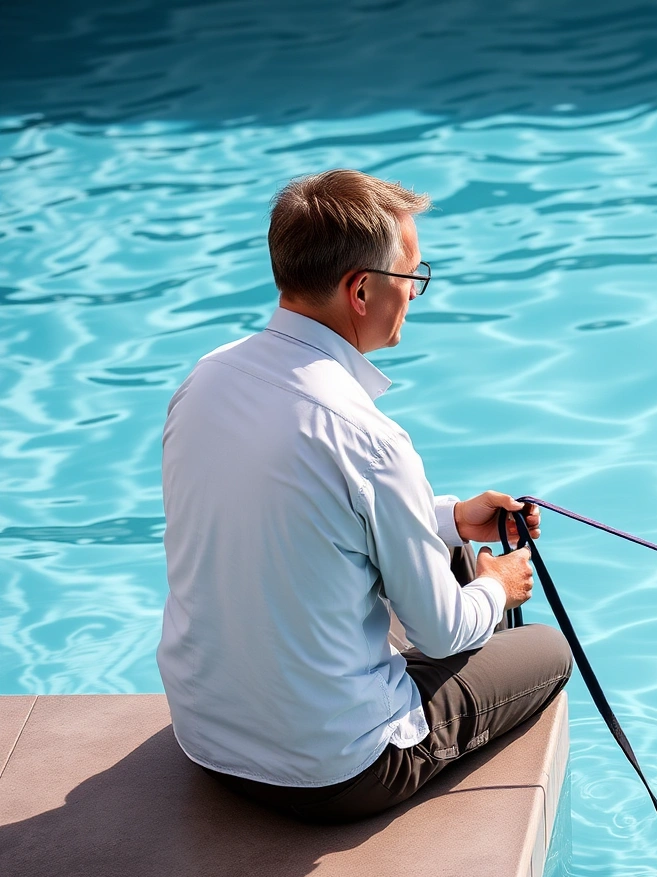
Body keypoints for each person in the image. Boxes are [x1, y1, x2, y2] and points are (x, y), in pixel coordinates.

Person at [159, 169, 572, 824]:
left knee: (452, 555)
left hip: (206, 741)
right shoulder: (371, 439)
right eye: (413, 279)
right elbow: (438, 635)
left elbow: (292, 525)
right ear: (361, 290)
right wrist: (497, 585)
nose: (414, 296)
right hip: (333, 772)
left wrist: (452, 519)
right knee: (548, 650)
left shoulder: (204, 382)